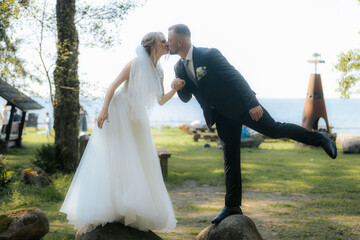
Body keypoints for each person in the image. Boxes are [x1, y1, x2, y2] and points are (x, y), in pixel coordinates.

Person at [168, 24, 337, 224]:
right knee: (230, 159)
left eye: (169, 40)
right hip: (220, 116)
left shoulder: (209, 54)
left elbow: (234, 76)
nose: (166, 43)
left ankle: (319, 138)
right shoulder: (178, 67)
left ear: (179, 41)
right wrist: (177, 87)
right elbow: (187, 97)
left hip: (243, 107)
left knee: (275, 129)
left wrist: (253, 103)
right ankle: (232, 206)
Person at [60, 32, 181, 233]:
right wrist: (104, 109)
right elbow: (113, 86)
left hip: (138, 116)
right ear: (152, 45)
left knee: (137, 159)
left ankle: (131, 208)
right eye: (162, 40)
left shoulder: (159, 69)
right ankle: (112, 207)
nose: (166, 43)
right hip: (120, 110)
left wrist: (174, 89)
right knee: (117, 156)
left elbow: (160, 99)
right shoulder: (135, 63)